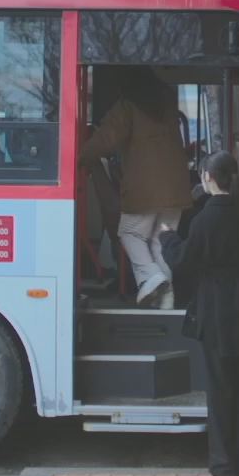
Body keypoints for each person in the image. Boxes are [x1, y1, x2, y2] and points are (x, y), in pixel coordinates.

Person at [158, 151, 239, 476]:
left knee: (221, 390)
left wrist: (168, 238)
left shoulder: (205, 219)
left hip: (216, 312)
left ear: (208, 178)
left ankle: (224, 463)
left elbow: (183, 261)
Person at [79, 67, 192, 307]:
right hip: (177, 188)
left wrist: (80, 157)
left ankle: (150, 276)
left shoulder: (128, 107)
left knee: (130, 233)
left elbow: (105, 140)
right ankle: (166, 300)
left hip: (146, 189)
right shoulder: (167, 107)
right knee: (161, 242)